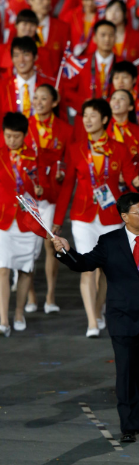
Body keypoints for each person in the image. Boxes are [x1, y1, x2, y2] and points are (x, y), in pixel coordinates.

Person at [52, 192, 139, 443]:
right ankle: (129, 425)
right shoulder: (109, 242)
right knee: (125, 370)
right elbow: (83, 264)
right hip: (122, 315)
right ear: (124, 216)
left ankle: (134, 407)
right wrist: (65, 251)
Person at [53, 98, 139, 336]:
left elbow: (132, 180)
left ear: (105, 119)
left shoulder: (120, 148)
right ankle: (92, 321)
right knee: (87, 268)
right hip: (83, 216)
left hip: (111, 216)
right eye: (85, 116)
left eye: (93, 116)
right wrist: (58, 220)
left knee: (106, 269)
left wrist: (138, 183)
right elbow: (67, 187)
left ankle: (98, 309)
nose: (87, 120)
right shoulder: (75, 148)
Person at [25, 84, 73, 314]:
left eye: (44, 98)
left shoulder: (65, 130)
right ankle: (31, 294)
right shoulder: (24, 126)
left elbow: (68, 164)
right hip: (30, 196)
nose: (38, 101)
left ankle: (51, 295)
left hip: (52, 196)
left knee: (50, 243)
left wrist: (61, 171)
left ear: (54, 102)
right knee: (29, 246)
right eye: (35, 97)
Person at [0, 112, 47, 336]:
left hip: (27, 218)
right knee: (3, 268)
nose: (11, 141)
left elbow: (46, 186)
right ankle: (3, 319)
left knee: (26, 269)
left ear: (25, 135)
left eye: (16, 137)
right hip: (3, 219)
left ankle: (19, 312)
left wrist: (40, 189)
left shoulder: (34, 157)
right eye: (7, 136)